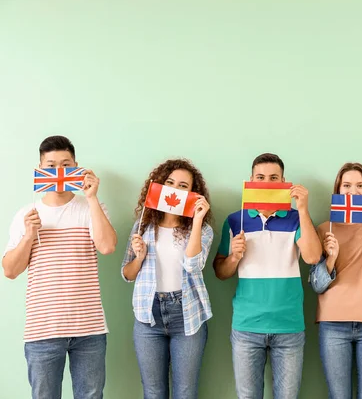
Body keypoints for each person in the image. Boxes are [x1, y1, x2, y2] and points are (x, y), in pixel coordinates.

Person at [2, 135, 117, 399]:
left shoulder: (92, 208)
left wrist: (91, 198)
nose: (59, 171)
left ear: (76, 166)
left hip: (89, 329)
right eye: (51, 165)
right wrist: (30, 235)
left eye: (66, 164)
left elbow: (107, 246)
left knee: (91, 396)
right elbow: (10, 270)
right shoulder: (25, 214)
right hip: (42, 329)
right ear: (41, 169)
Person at [213, 153, 322, 399]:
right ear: (250, 180)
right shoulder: (235, 220)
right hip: (247, 326)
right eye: (260, 177)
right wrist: (234, 257)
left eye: (274, 178)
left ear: (284, 182)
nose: (267, 182)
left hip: (289, 326)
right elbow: (220, 272)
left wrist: (303, 210)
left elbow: (313, 257)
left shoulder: (296, 220)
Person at [121, 159, 213, 399]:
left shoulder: (202, 230)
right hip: (148, 315)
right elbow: (127, 274)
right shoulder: (143, 227)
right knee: (153, 391)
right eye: (170, 182)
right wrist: (139, 257)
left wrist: (198, 219)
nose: (174, 189)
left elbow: (194, 265)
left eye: (183, 185)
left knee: (185, 392)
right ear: (160, 186)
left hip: (188, 314)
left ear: (193, 193)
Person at [309, 162, 362, 399]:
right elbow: (317, 284)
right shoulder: (324, 229)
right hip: (333, 324)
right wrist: (331, 259)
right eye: (346, 185)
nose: (353, 191)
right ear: (337, 190)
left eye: (360, 186)